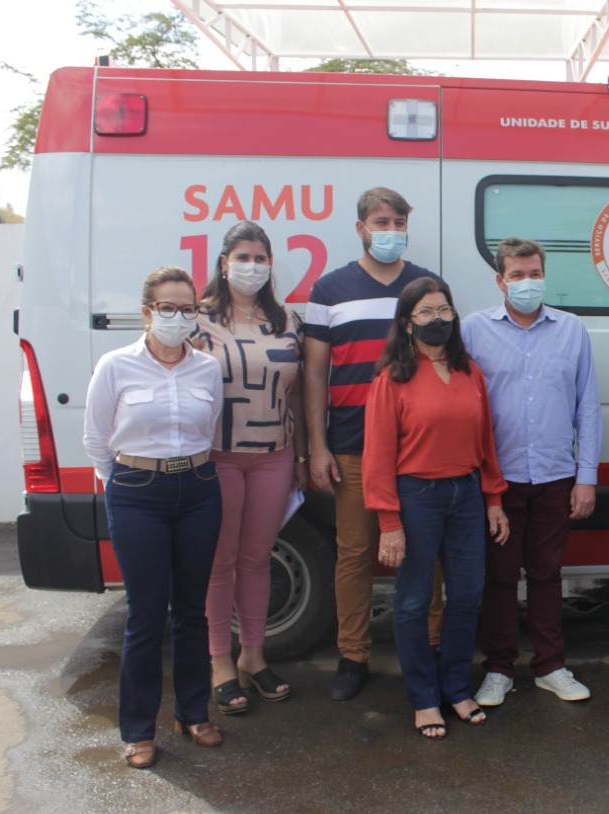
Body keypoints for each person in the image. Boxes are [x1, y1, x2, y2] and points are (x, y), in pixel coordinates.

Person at [304, 187, 444, 701]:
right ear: (360, 227)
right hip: (351, 446)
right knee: (355, 553)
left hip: (418, 450)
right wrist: (315, 447)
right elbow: (315, 373)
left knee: (423, 555)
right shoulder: (329, 289)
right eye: (381, 221)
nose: (391, 229)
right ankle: (352, 655)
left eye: (399, 221)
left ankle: (426, 648)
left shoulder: (428, 286)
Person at [82, 266, 224, 768]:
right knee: (145, 614)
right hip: (137, 491)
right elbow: (97, 439)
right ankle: (139, 729)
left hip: (200, 489)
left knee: (192, 611)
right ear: (146, 313)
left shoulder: (207, 369)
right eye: (167, 307)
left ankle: (193, 712)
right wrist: (125, 484)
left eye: (188, 308)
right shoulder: (115, 366)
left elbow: (212, 427)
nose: (178, 316)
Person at [365, 277, 510, 739]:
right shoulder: (392, 380)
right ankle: (424, 698)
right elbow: (378, 455)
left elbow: (486, 442)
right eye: (425, 312)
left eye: (444, 310)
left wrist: (493, 499)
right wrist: (390, 522)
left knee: (466, 596)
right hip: (415, 499)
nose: (437, 319)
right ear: (407, 324)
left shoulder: (471, 372)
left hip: (466, 495)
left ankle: (455, 688)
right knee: (411, 602)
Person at [463, 238, 602, 706]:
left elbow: (588, 408)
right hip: (498, 480)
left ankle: (550, 666)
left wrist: (587, 477)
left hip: (555, 475)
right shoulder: (473, 332)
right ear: (500, 280)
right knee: (499, 577)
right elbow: (465, 410)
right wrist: (484, 488)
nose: (527, 282)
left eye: (534, 273)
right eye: (517, 275)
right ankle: (499, 668)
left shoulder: (571, 330)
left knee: (547, 572)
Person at [195, 221, 307, 714]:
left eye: (261, 257)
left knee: (257, 560)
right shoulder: (197, 321)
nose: (252, 266)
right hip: (216, 458)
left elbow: (299, 394)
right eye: (242, 257)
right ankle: (220, 661)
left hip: (273, 459)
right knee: (219, 563)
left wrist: (302, 455)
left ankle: (253, 657)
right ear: (224, 263)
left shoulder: (287, 320)